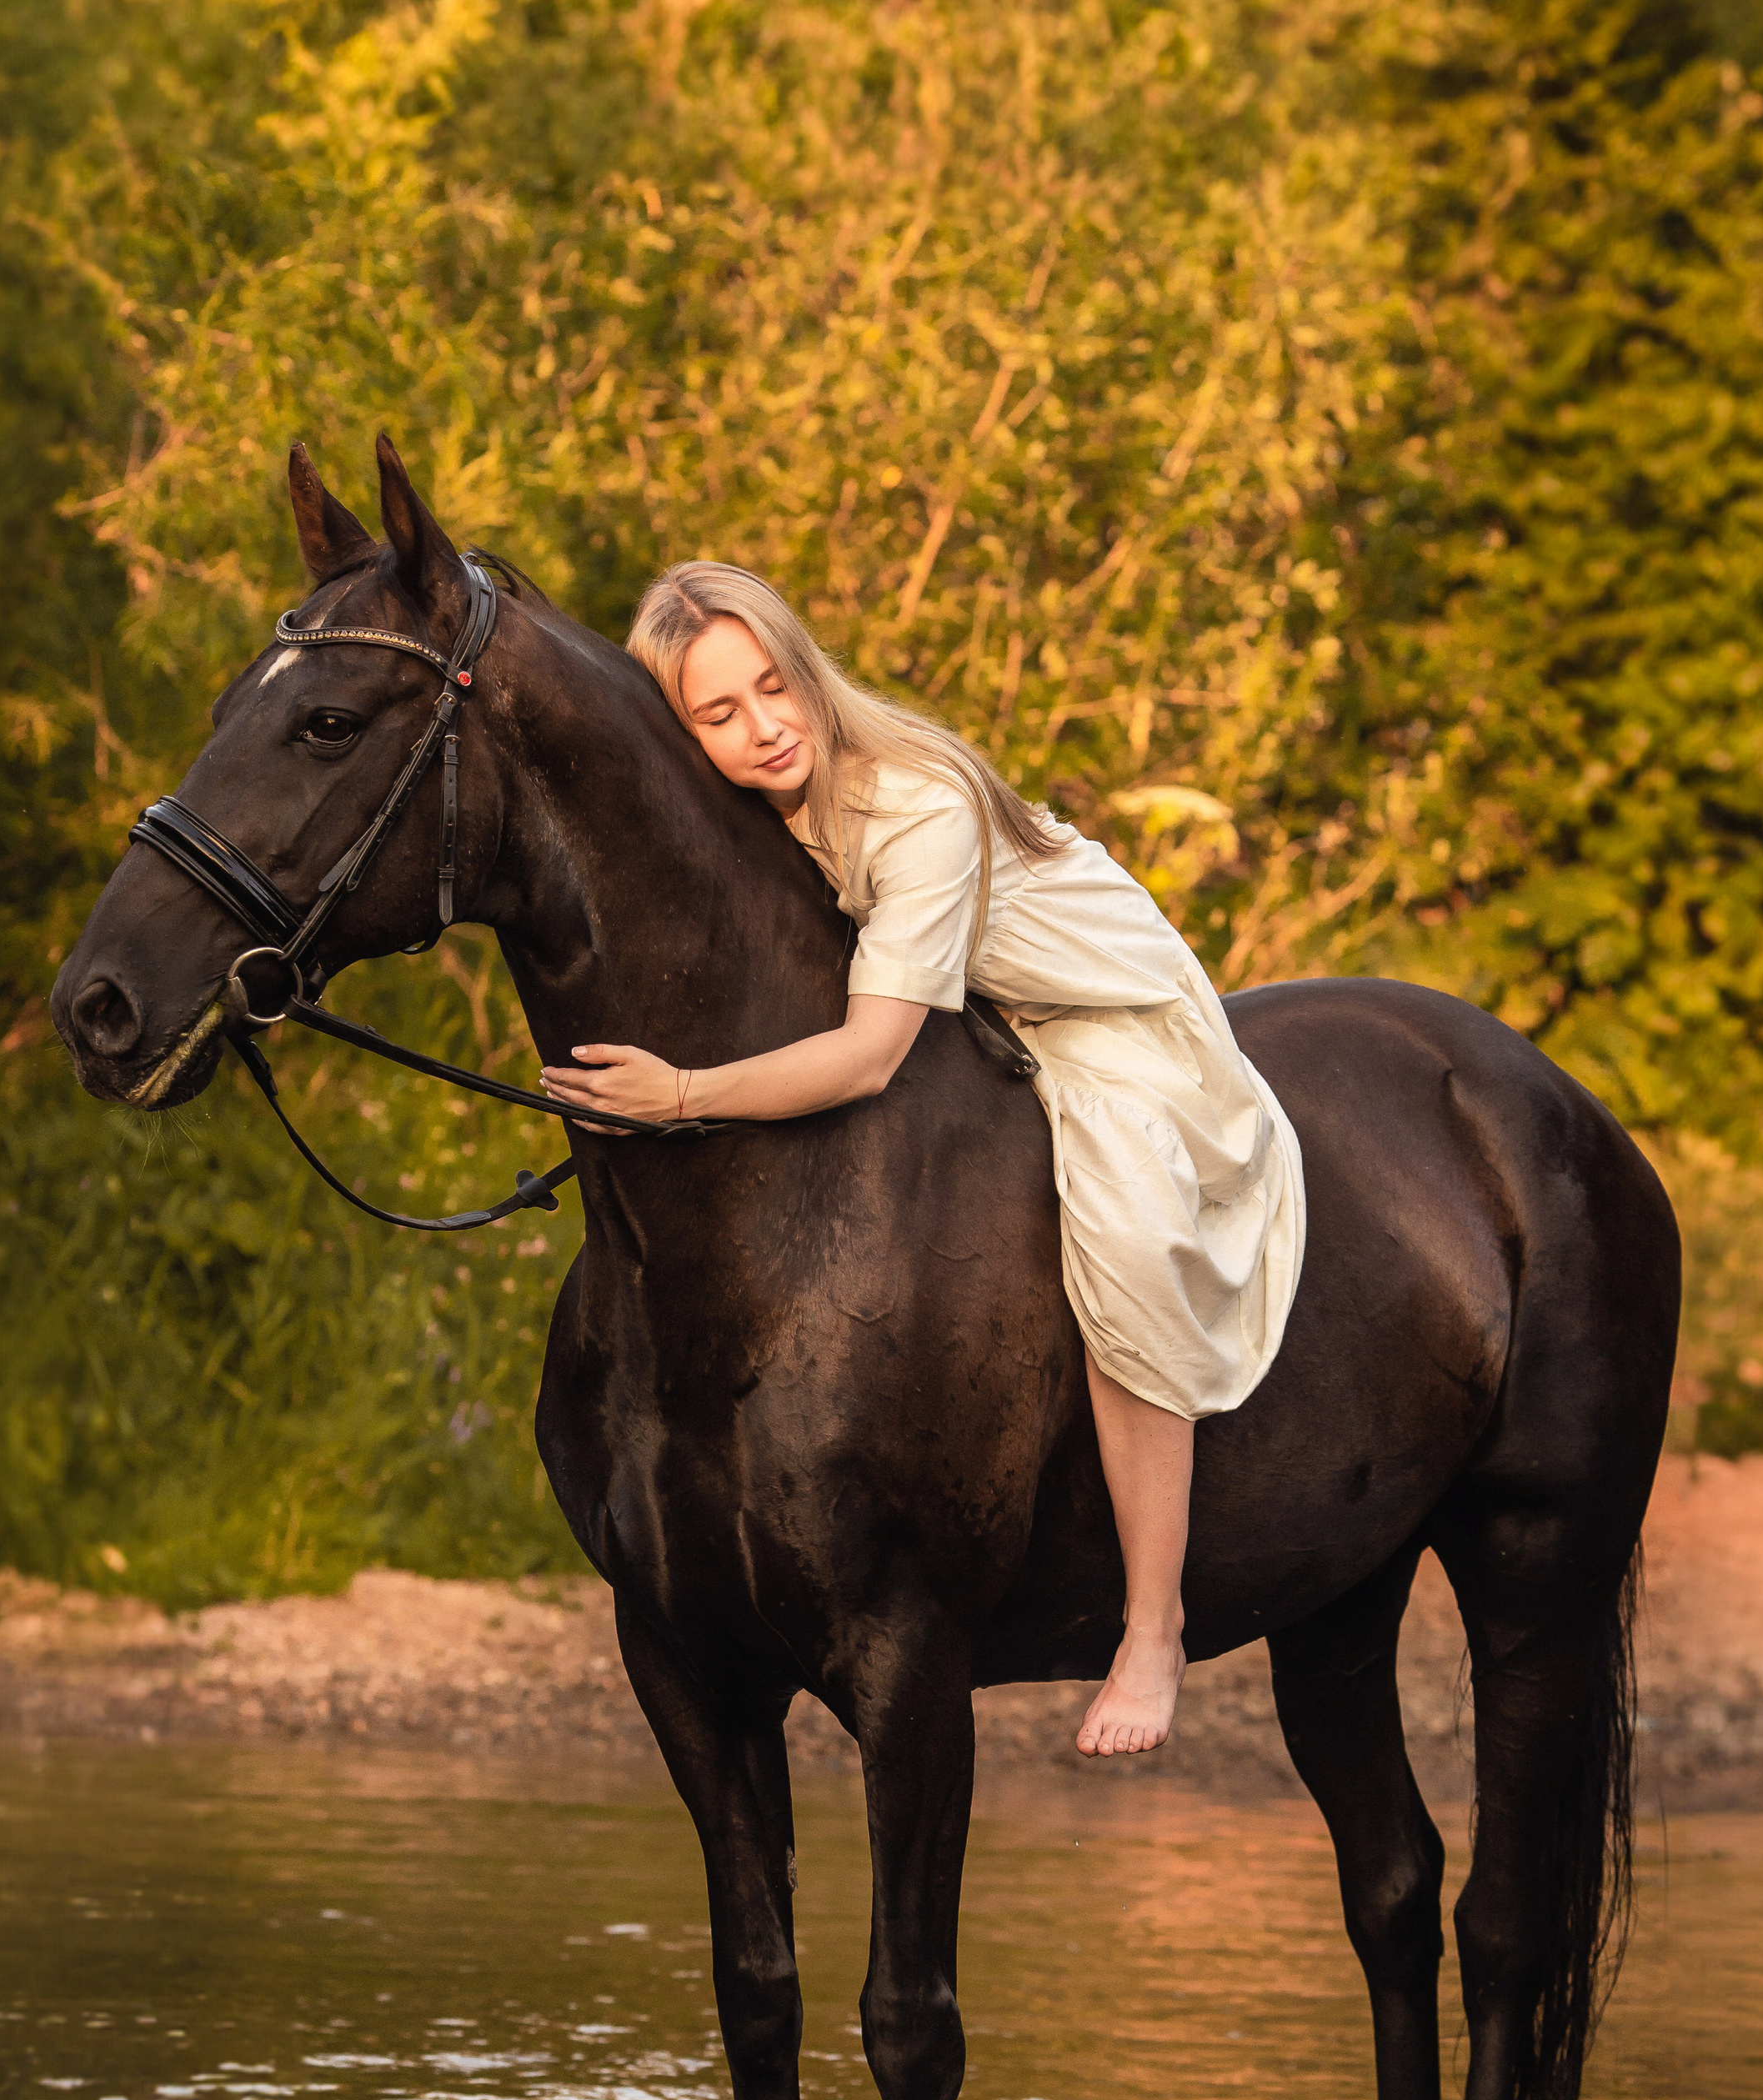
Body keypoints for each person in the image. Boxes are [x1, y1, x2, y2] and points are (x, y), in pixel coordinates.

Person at [539, 562, 1305, 1757]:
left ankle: (1152, 1628)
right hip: (988, 1020)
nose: (764, 728)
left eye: (773, 688)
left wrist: (682, 1095)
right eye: (719, 715)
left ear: (807, 670)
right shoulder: (756, 812)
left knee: (1120, 1234)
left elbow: (863, 1056)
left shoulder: (916, 800)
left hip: (1112, 1021)